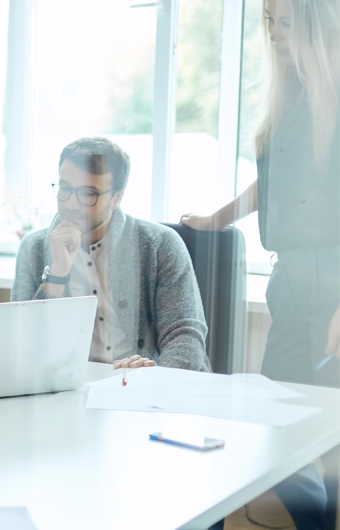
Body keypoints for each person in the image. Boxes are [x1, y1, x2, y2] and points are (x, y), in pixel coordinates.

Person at [183, 0, 340, 530]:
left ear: (322, 24)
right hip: (291, 280)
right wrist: (216, 218)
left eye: (288, 22)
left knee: (328, 447)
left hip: (332, 283)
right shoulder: (295, 100)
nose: (275, 35)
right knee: (283, 435)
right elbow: (273, 182)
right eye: (270, 21)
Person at [12, 137, 210, 372]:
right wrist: (56, 274)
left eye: (88, 193)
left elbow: (186, 338)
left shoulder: (159, 244)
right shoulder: (33, 248)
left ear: (117, 197)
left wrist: (155, 378)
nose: (72, 205)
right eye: (65, 189)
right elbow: (22, 343)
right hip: (67, 386)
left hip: (144, 384)